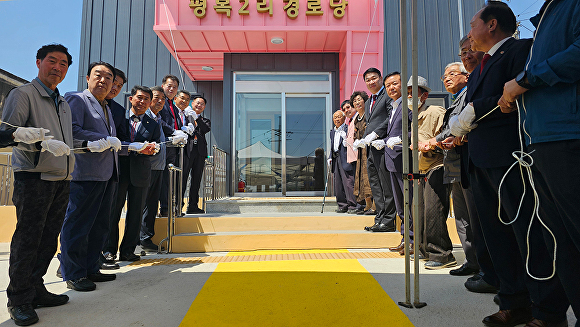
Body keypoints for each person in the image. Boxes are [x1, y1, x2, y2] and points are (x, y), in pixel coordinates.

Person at [450, 2, 570, 326]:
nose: (469, 35)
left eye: (473, 24)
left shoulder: (520, 50)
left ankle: (546, 310)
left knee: (529, 236)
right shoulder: (481, 64)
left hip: (512, 160)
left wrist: (475, 109)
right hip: (482, 161)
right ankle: (513, 301)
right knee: (498, 239)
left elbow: (518, 94)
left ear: (491, 25)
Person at [498, 0, 580, 325]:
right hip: (542, 140)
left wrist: (527, 80)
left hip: (566, 134)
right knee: (561, 244)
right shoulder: (548, 13)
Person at [2, 44, 75, 326]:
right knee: (28, 240)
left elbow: (65, 144)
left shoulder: (64, 103)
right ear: (38, 62)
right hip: (34, 178)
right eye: (52, 61)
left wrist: (91, 146)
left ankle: (36, 288)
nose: (58, 67)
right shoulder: (23, 95)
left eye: (64, 64)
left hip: (61, 179)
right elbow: (4, 133)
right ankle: (18, 299)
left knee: (47, 239)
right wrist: (22, 135)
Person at [60, 61, 121, 292]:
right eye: (99, 75)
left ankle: (91, 267)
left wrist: (131, 146)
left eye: (109, 77)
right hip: (85, 173)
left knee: (99, 225)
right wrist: (101, 140)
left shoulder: (106, 106)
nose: (103, 81)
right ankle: (73, 273)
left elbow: (111, 140)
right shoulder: (77, 99)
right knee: (78, 224)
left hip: (107, 174)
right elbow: (72, 130)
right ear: (88, 77)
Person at [431, 61, 480, 276]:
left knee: (474, 214)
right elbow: (451, 128)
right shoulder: (456, 99)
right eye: (444, 76)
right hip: (453, 162)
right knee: (461, 215)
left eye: (452, 74)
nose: (447, 78)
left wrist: (435, 140)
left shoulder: (469, 94)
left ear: (466, 76)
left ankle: (483, 265)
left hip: (466, 160)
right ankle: (471, 261)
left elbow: (458, 125)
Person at [105, 85, 161, 262]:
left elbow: (157, 146)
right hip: (119, 170)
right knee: (113, 211)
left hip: (141, 172)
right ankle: (109, 250)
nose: (142, 102)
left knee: (136, 213)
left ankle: (128, 250)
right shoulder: (119, 117)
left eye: (146, 99)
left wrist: (153, 149)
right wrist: (130, 147)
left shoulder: (152, 123)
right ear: (131, 99)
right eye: (139, 97)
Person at [408, 76, 456, 270]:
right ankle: (423, 249)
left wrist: (430, 147)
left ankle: (442, 254)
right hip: (420, 169)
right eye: (408, 93)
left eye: (413, 92)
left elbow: (447, 135)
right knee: (417, 210)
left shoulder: (435, 111)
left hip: (437, 165)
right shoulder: (413, 117)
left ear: (425, 95)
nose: (409, 96)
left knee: (433, 210)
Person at [140, 86, 187, 251]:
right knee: (144, 203)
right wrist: (171, 138)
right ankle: (141, 238)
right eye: (156, 98)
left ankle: (146, 237)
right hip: (147, 166)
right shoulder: (144, 117)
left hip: (158, 165)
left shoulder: (158, 118)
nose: (160, 101)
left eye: (162, 99)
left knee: (152, 204)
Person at [375, 72, 414, 255]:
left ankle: (413, 240)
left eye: (395, 84)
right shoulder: (393, 106)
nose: (391, 88)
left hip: (404, 161)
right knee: (400, 206)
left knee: (409, 203)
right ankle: (405, 239)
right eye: (388, 85)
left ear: (404, 85)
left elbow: (416, 130)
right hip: (392, 161)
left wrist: (400, 139)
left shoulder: (409, 105)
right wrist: (384, 140)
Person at [354, 68, 397, 232]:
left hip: (382, 146)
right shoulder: (369, 101)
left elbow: (389, 119)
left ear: (380, 78)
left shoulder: (387, 96)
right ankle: (379, 217)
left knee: (385, 185)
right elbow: (369, 122)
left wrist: (376, 134)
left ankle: (388, 220)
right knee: (375, 185)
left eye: (374, 78)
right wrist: (363, 139)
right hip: (370, 149)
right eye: (367, 80)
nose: (371, 82)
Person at [183, 95, 211, 214]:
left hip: (199, 152)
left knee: (196, 180)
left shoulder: (205, 120)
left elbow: (205, 129)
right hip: (187, 151)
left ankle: (193, 206)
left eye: (202, 104)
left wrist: (197, 119)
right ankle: (178, 205)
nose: (199, 105)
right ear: (192, 103)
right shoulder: (184, 117)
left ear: (204, 107)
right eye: (197, 103)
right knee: (182, 178)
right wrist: (190, 116)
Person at [158, 75, 180, 216]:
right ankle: (165, 209)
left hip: (174, 147)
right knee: (164, 179)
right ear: (163, 86)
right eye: (169, 86)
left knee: (171, 178)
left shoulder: (174, 106)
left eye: (174, 87)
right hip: (164, 143)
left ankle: (170, 207)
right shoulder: (160, 102)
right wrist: (174, 131)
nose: (171, 89)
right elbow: (159, 120)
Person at [350, 91, 374, 216]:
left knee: (370, 176)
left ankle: (375, 205)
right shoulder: (356, 119)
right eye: (354, 101)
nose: (357, 102)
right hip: (360, 152)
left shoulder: (368, 115)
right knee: (361, 177)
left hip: (369, 150)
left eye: (359, 100)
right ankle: (367, 204)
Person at [329, 110, 356, 213]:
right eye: (335, 117)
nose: (337, 119)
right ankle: (342, 205)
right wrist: (330, 157)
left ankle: (352, 205)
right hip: (336, 158)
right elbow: (332, 146)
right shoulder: (332, 132)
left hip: (344, 157)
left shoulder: (347, 128)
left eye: (339, 117)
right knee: (338, 183)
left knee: (348, 182)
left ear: (344, 118)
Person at [341, 99, 360, 214]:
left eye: (348, 107)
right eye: (344, 109)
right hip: (352, 157)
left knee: (358, 182)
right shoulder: (350, 121)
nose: (346, 111)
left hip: (358, 156)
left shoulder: (358, 118)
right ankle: (358, 204)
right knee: (355, 182)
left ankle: (359, 205)